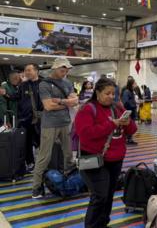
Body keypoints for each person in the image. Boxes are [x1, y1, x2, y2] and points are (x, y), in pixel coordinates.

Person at [75, 78, 137, 228]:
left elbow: (133, 130)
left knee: (108, 195)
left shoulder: (117, 108)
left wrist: (128, 123)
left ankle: (103, 223)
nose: (111, 96)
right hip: (94, 158)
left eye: (113, 93)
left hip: (115, 159)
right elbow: (85, 133)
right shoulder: (88, 109)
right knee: (100, 195)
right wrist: (111, 124)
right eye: (107, 93)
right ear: (97, 93)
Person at [32, 58, 79, 199]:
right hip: (49, 124)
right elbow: (48, 106)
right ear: (55, 68)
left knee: (68, 154)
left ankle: (69, 182)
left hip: (65, 122)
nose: (64, 73)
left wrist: (59, 101)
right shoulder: (44, 84)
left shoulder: (67, 82)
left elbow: (75, 100)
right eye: (62, 70)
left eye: (66, 71)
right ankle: (36, 187)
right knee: (44, 157)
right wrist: (67, 103)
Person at [13, 64, 43, 171]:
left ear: (36, 71)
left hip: (41, 119)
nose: (27, 72)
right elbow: (16, 97)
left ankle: (45, 163)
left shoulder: (44, 84)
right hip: (25, 119)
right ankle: (30, 163)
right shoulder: (23, 85)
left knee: (43, 142)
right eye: (26, 70)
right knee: (26, 142)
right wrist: (5, 93)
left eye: (29, 70)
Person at [121, 79, 138, 145]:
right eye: (135, 83)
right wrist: (132, 105)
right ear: (132, 84)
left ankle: (129, 138)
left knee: (131, 125)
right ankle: (127, 139)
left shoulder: (132, 91)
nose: (136, 84)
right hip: (128, 111)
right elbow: (125, 102)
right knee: (127, 125)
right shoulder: (126, 92)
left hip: (132, 111)